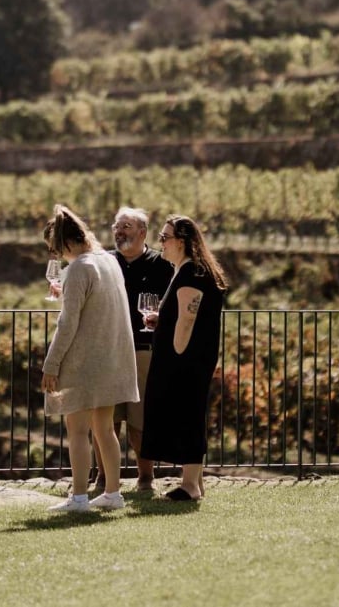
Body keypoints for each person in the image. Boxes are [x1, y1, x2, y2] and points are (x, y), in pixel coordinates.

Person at [39, 204, 140, 512]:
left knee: (78, 430)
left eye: (55, 251)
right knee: (104, 428)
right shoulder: (109, 261)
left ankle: (79, 497)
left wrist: (51, 365)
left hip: (83, 362)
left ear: (66, 244)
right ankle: (112, 493)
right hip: (111, 358)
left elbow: (67, 324)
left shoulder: (80, 267)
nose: (57, 257)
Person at [139, 214, 228, 502]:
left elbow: (187, 320)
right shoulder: (191, 270)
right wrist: (160, 321)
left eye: (165, 238)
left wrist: (175, 357)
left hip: (185, 361)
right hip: (190, 358)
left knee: (188, 416)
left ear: (183, 241)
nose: (160, 243)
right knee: (190, 415)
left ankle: (189, 485)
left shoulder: (192, 273)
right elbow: (180, 315)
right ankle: (195, 483)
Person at [102, 207, 174, 493]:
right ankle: (105, 477)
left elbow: (173, 304)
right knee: (107, 418)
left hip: (144, 350)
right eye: (117, 227)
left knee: (139, 419)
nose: (120, 232)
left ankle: (146, 476)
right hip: (108, 349)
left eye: (127, 227)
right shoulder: (105, 262)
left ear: (142, 232)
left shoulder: (162, 264)